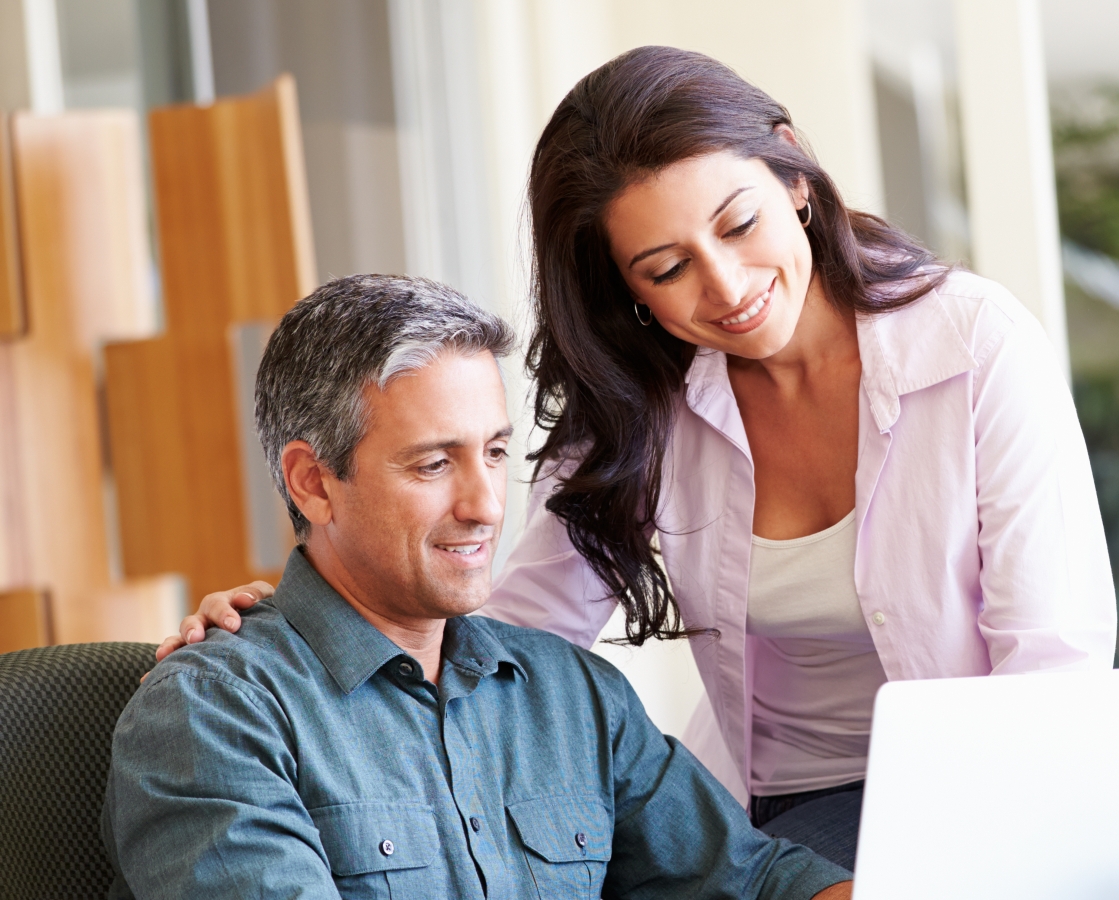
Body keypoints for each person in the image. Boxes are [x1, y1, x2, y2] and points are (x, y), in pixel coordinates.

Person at [160, 46, 1116, 868]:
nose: (727, 287)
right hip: (781, 814)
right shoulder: (639, 397)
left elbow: (1053, 663)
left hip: (995, 800)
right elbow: (511, 630)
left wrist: (988, 854)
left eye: (738, 225)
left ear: (793, 175)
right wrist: (289, 628)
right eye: (666, 269)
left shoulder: (975, 344)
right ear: (626, 291)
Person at [106, 275, 851, 900]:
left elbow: (755, 884)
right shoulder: (213, 714)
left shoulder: (571, 696)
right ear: (314, 483)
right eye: (434, 464)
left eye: (494, 453)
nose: (487, 505)